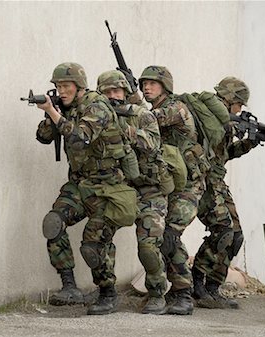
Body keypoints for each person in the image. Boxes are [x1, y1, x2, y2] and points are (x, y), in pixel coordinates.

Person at [35, 62, 138, 315]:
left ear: (79, 86)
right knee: (53, 223)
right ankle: (69, 287)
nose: (61, 90)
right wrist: (52, 112)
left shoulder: (97, 106)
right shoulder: (64, 107)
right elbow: (43, 136)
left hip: (107, 187)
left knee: (93, 244)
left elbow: (80, 139)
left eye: (66, 86)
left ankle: (108, 293)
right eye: (57, 86)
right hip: (80, 184)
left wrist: (54, 112)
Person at [96, 70, 174, 314]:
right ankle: (106, 292)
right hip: (121, 189)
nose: (113, 96)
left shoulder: (143, 115)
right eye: (107, 92)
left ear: (126, 92)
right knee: (98, 236)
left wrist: (125, 130)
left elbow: (152, 144)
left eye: (117, 91)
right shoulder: (98, 118)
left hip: (151, 190)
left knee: (148, 245)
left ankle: (157, 293)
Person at [138, 66, 210, 315]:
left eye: (152, 83)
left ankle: (184, 295)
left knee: (170, 235)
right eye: (143, 84)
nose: (147, 87)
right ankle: (175, 291)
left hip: (191, 185)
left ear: (165, 86)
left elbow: (150, 120)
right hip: (171, 183)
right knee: (160, 236)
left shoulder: (176, 108)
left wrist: (125, 107)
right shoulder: (152, 110)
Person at [192, 76, 265, 309]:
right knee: (223, 230)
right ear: (230, 99)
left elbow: (225, 154)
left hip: (218, 183)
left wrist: (251, 142)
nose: (241, 109)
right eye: (240, 104)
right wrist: (233, 126)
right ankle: (197, 282)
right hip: (203, 183)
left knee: (236, 236)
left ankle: (214, 287)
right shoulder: (208, 116)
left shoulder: (226, 121)